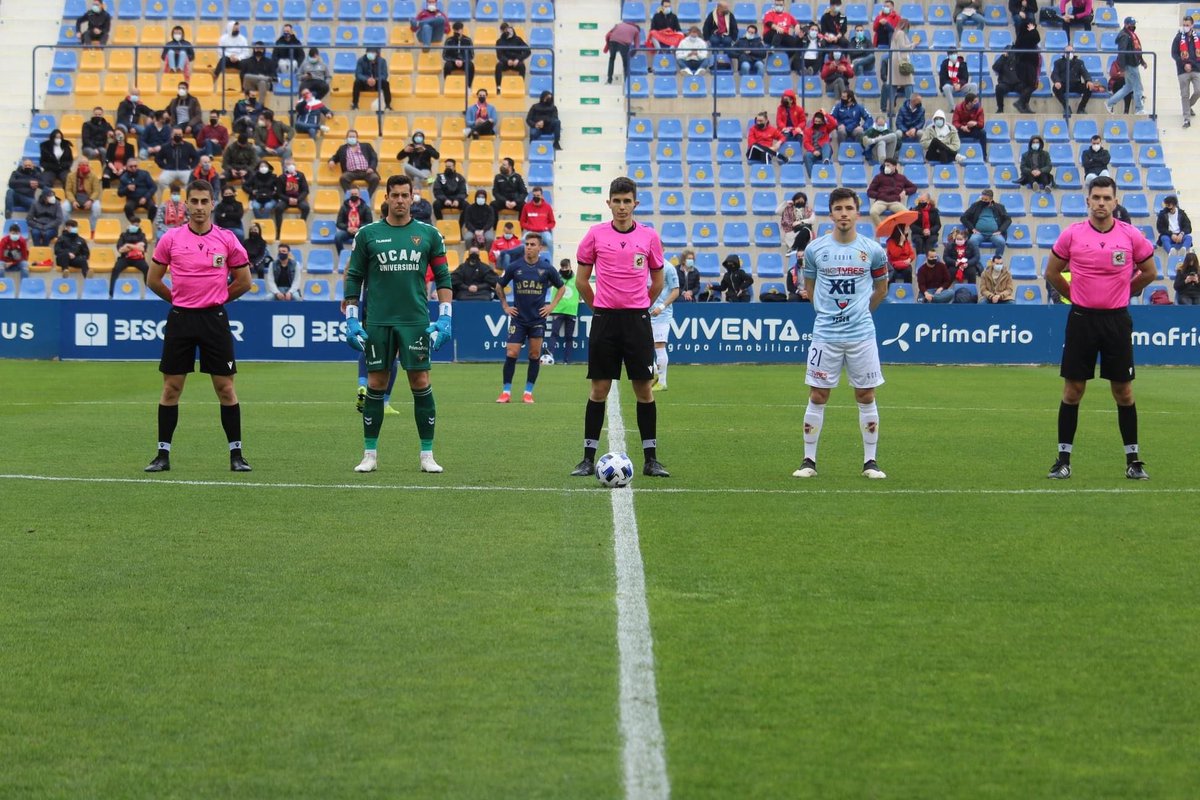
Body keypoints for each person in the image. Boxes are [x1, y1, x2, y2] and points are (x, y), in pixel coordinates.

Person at [1044, 176, 1156, 480]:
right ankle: (1063, 461)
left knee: (1124, 391)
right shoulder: (1072, 234)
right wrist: (1074, 296)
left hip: (1116, 321)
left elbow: (1150, 271)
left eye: (1107, 198)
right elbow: (1052, 272)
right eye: (1096, 197)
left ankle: (1133, 461)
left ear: (1115, 201)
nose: (1101, 203)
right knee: (1073, 390)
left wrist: (1125, 291)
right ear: (1088, 201)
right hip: (1081, 320)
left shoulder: (1131, 235)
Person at [341, 173, 453, 474]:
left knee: (421, 382)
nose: (400, 200)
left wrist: (445, 316)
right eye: (395, 195)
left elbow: (443, 276)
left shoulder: (429, 235)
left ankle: (427, 455)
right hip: (378, 321)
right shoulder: (367, 234)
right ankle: (369, 454)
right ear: (387, 198)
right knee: (376, 384)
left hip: (415, 321)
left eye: (405, 195)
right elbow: (354, 277)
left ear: (412, 197)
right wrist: (351, 318)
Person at [144, 179, 253, 474]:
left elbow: (244, 282)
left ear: (212, 204)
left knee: (225, 388)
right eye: (194, 201)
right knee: (171, 388)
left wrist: (216, 298)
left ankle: (236, 455)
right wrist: (179, 300)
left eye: (205, 201)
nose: (200, 207)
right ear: (186, 205)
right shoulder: (171, 239)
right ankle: (162, 455)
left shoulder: (227, 239)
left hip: (214, 319)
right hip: (181, 319)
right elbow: (153, 279)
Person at [569, 176, 668, 478]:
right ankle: (587, 459)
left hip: (637, 321)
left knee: (643, 389)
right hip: (605, 320)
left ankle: (651, 459)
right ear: (609, 203)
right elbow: (581, 281)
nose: (622, 206)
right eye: (617, 201)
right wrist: (599, 308)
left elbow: (658, 281)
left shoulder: (649, 237)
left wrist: (640, 305)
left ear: (635, 203)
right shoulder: (595, 235)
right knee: (599, 389)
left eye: (627, 201)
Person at [795, 187, 888, 480]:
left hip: (862, 335)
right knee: (818, 394)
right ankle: (808, 461)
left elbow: (881, 290)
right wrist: (827, 314)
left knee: (866, 394)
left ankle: (870, 462)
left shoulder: (873, 250)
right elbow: (810, 289)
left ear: (857, 212)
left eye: (849, 208)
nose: (844, 214)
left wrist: (861, 313)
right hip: (826, 335)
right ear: (831, 214)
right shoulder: (815, 250)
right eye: (838, 209)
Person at [495, 233, 566, 403]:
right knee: (511, 352)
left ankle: (528, 392)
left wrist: (551, 306)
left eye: (532, 244)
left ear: (540, 248)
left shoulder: (547, 268)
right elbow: (499, 286)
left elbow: (561, 288)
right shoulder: (514, 266)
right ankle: (506, 392)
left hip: (537, 320)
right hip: (518, 319)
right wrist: (505, 306)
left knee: (534, 355)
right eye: (527, 244)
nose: (528, 247)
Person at [648, 247, 681, 392]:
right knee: (643, 346)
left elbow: (676, 291)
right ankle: (655, 373)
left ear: (662, 250)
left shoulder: (668, 268)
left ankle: (662, 382)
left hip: (662, 314)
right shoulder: (645, 266)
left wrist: (661, 307)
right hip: (645, 312)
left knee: (659, 345)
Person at [866, 157, 916, 227]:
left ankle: (900, 231)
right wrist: (879, 195)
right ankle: (882, 228)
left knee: (907, 215)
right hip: (881, 201)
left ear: (894, 166)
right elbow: (870, 191)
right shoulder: (878, 177)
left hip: (895, 202)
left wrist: (905, 191)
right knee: (873, 212)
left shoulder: (901, 178)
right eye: (885, 165)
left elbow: (914, 187)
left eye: (888, 165)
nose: (886, 167)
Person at [328, 130, 380, 196]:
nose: (352, 138)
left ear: (357, 138)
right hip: (351, 172)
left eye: (353, 137)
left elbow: (374, 158)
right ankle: (351, 197)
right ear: (347, 138)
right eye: (350, 137)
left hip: (366, 171)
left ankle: (366, 198)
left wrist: (371, 168)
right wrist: (332, 160)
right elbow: (335, 157)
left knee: (375, 178)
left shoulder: (366, 146)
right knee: (343, 178)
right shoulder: (342, 149)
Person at [1107, 21, 1144, 113]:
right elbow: (1122, 52)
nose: (1133, 26)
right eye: (1131, 24)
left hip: (1133, 63)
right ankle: (1139, 109)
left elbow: (1136, 49)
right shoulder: (1124, 36)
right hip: (1130, 64)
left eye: (1134, 24)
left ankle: (1109, 103)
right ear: (1126, 24)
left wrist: (1142, 61)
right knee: (1138, 87)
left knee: (1128, 87)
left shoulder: (1131, 35)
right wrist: (1122, 68)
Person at [961, 189, 1010, 257]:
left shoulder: (999, 207)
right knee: (972, 241)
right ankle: (976, 258)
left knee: (1001, 242)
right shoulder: (975, 205)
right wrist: (972, 228)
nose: (983, 201)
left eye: (986, 200)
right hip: (979, 233)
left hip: (994, 234)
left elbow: (1008, 220)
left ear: (991, 199)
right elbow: (963, 218)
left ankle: (997, 259)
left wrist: (1000, 230)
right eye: (982, 199)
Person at [549, 259, 580, 362]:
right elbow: (547, 284)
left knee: (569, 337)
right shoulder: (556, 278)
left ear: (570, 267)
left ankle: (567, 361)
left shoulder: (576, 279)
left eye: (566, 267)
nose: (564, 269)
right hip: (558, 310)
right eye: (562, 267)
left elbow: (581, 294)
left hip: (571, 311)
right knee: (554, 333)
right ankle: (550, 357)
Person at [272, 159, 310, 240]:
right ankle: (279, 231)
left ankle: (301, 228)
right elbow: (279, 193)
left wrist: (298, 199)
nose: (291, 166)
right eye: (288, 164)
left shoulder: (301, 175)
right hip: (286, 199)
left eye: (292, 164)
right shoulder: (282, 177)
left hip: (298, 199)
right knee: (278, 208)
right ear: (285, 166)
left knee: (306, 207)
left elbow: (305, 190)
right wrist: (288, 199)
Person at [62, 158, 102, 233]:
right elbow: (68, 190)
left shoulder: (93, 176)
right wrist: (73, 201)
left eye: (87, 165)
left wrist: (90, 200)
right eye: (83, 165)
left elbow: (96, 191)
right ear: (78, 166)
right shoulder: (71, 176)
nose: (85, 167)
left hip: (89, 198)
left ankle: (92, 229)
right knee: (64, 207)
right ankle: (68, 228)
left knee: (97, 207)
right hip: (75, 198)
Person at [1173, 16, 1200, 127]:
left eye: (1187, 25)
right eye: (1184, 25)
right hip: (1183, 70)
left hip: (1196, 69)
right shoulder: (1178, 37)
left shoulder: (1198, 37)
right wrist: (1184, 64)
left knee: (1198, 90)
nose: (1185, 27)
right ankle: (1186, 118)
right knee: (1184, 94)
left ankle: (1188, 106)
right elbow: (1174, 54)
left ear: (1192, 25)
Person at [110, 221, 149, 295]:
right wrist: (137, 246)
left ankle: (150, 292)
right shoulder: (123, 235)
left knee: (147, 269)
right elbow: (121, 250)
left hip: (138, 259)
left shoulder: (142, 235)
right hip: (125, 258)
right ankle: (111, 293)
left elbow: (143, 249)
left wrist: (128, 245)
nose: (134, 226)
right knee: (115, 269)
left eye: (136, 225)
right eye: (133, 224)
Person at [155, 127, 200, 191]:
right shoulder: (165, 146)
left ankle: (184, 195)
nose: (178, 136)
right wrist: (164, 166)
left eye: (180, 134)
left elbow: (196, 157)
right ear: (171, 135)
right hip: (169, 170)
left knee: (192, 182)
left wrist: (191, 166)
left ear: (182, 135)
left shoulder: (189, 146)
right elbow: (158, 158)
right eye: (176, 134)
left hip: (185, 170)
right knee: (161, 181)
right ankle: (168, 195)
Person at [993, 45, 1034, 114]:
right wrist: (1003, 57)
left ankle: (1023, 106)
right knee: (998, 88)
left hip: (1018, 83)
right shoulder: (1002, 59)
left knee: (1029, 86)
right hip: (1005, 84)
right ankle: (1000, 108)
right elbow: (995, 68)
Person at [334, 186, 372, 255]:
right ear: (349, 195)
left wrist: (359, 228)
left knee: (368, 238)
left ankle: (362, 257)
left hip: (360, 231)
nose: (354, 196)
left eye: (355, 194)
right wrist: (347, 228)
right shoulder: (344, 207)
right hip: (347, 231)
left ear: (359, 195)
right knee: (337, 237)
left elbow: (369, 222)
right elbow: (339, 223)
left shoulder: (365, 207)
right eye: (352, 194)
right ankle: (342, 256)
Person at [495, 22, 530, 92]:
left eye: (507, 29)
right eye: (503, 30)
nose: (506, 31)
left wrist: (518, 59)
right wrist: (507, 60)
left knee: (522, 66)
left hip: (516, 62)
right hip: (505, 63)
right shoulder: (499, 41)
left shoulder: (518, 39)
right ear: (501, 31)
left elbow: (528, 51)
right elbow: (499, 55)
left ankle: (520, 87)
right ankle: (498, 87)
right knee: (498, 65)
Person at [603, 20, 640, 84]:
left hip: (612, 41)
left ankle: (609, 79)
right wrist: (631, 55)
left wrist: (608, 45)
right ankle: (626, 82)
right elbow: (637, 47)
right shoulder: (636, 30)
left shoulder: (620, 24)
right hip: (623, 44)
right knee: (625, 64)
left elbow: (607, 35)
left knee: (611, 59)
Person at [519, 187, 556, 252]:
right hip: (531, 231)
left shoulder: (547, 207)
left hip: (544, 231)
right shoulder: (526, 206)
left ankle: (551, 258)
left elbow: (552, 222)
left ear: (541, 196)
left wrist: (545, 227)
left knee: (549, 240)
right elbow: (522, 222)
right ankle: (524, 257)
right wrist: (529, 227)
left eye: (538, 195)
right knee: (523, 240)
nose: (536, 197)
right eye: (534, 195)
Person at [952, 92, 987, 158]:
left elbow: (981, 124)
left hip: (974, 130)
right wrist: (962, 127)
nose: (977, 103)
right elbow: (955, 122)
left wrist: (975, 123)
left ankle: (983, 156)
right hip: (962, 130)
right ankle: (954, 156)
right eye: (975, 101)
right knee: (953, 133)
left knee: (983, 133)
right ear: (969, 103)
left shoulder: (979, 109)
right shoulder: (958, 108)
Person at [802, 109, 836, 173]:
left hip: (824, 151)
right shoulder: (808, 130)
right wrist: (813, 150)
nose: (817, 123)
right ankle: (812, 175)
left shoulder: (826, 128)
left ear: (822, 122)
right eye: (816, 121)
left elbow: (834, 124)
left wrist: (825, 114)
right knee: (806, 156)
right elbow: (806, 143)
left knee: (826, 144)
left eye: (819, 122)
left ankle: (825, 161)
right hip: (814, 151)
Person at [442, 21, 475, 86]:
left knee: (470, 65)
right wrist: (454, 60)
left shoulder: (468, 40)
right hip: (452, 62)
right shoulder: (449, 40)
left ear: (462, 30)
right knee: (447, 65)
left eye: (458, 30)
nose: (457, 32)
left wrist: (463, 60)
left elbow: (471, 55)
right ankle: (447, 85)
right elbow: (444, 55)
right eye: (455, 30)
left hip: (464, 62)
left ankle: (468, 86)